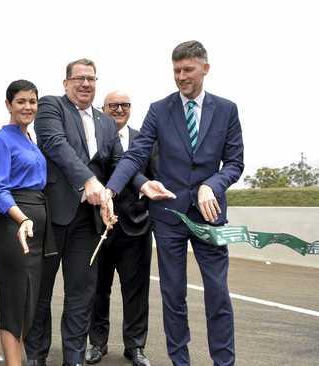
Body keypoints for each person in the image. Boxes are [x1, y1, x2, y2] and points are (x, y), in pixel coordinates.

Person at [105, 41, 244, 366]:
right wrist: (110, 190)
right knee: (173, 294)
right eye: (176, 70)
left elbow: (235, 163)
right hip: (168, 217)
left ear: (204, 68)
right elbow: (136, 153)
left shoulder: (227, 110)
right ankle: (180, 361)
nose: (181, 77)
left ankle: (224, 362)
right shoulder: (159, 109)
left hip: (210, 216)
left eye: (188, 70)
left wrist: (212, 184)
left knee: (218, 294)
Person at [24, 59, 124, 366]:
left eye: (91, 79)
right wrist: (90, 181)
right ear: (66, 82)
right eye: (79, 78)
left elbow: (120, 163)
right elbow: (56, 145)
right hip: (53, 215)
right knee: (41, 293)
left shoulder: (106, 122)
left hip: (89, 221)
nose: (85, 84)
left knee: (82, 294)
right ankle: (36, 356)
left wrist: (114, 192)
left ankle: (74, 358)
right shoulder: (51, 106)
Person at [85, 91, 156, 366]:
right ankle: (97, 343)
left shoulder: (145, 141)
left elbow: (155, 178)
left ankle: (135, 346)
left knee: (136, 292)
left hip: (136, 229)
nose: (119, 109)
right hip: (98, 228)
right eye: (112, 105)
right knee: (97, 290)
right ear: (102, 109)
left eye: (125, 105)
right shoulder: (93, 139)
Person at [0, 80, 54, 366]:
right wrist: (23, 218)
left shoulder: (30, 139)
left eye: (32, 101)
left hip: (35, 228)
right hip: (14, 227)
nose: (28, 107)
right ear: (8, 105)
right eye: (21, 101)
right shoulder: (2, 140)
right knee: (15, 301)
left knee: (30, 300)